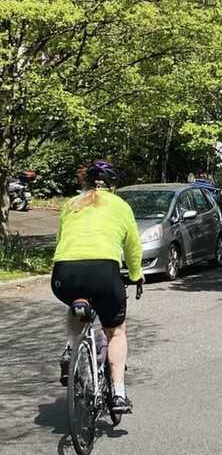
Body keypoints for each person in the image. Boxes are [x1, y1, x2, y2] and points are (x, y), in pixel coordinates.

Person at [52, 161, 143, 413]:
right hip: (103, 272)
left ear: (86, 183)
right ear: (112, 186)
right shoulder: (121, 206)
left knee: (77, 305)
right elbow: (133, 247)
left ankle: (72, 348)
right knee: (116, 332)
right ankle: (118, 394)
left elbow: (61, 240)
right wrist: (136, 275)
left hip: (64, 274)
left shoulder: (70, 204)